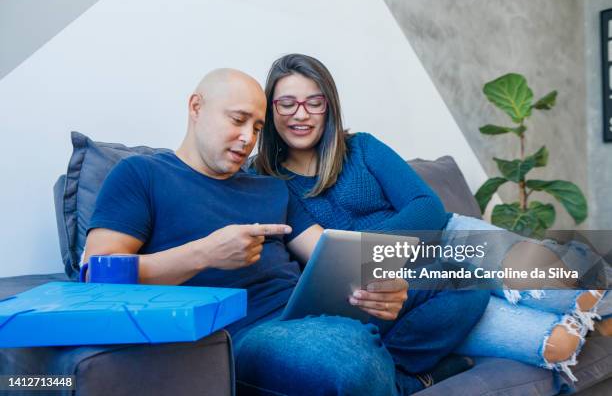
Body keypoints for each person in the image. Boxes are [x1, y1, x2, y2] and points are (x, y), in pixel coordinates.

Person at [83, 68, 489, 395]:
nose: (248, 138)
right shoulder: (142, 174)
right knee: (347, 355)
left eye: (258, 127)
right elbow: (94, 275)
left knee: (464, 279)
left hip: (308, 311)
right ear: (195, 107)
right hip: (245, 333)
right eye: (238, 120)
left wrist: (382, 282)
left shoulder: (269, 186)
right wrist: (204, 254)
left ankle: (395, 375)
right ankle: (393, 377)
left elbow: (327, 255)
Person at [253, 53, 611, 382]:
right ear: (271, 109)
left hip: (447, 236)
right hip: (403, 283)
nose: (300, 114)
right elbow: (323, 256)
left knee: (566, 289)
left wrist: (368, 247)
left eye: (314, 102)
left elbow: (427, 207)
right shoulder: (272, 183)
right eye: (287, 103)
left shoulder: (362, 147)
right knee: (556, 343)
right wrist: (383, 257)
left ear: (328, 107)